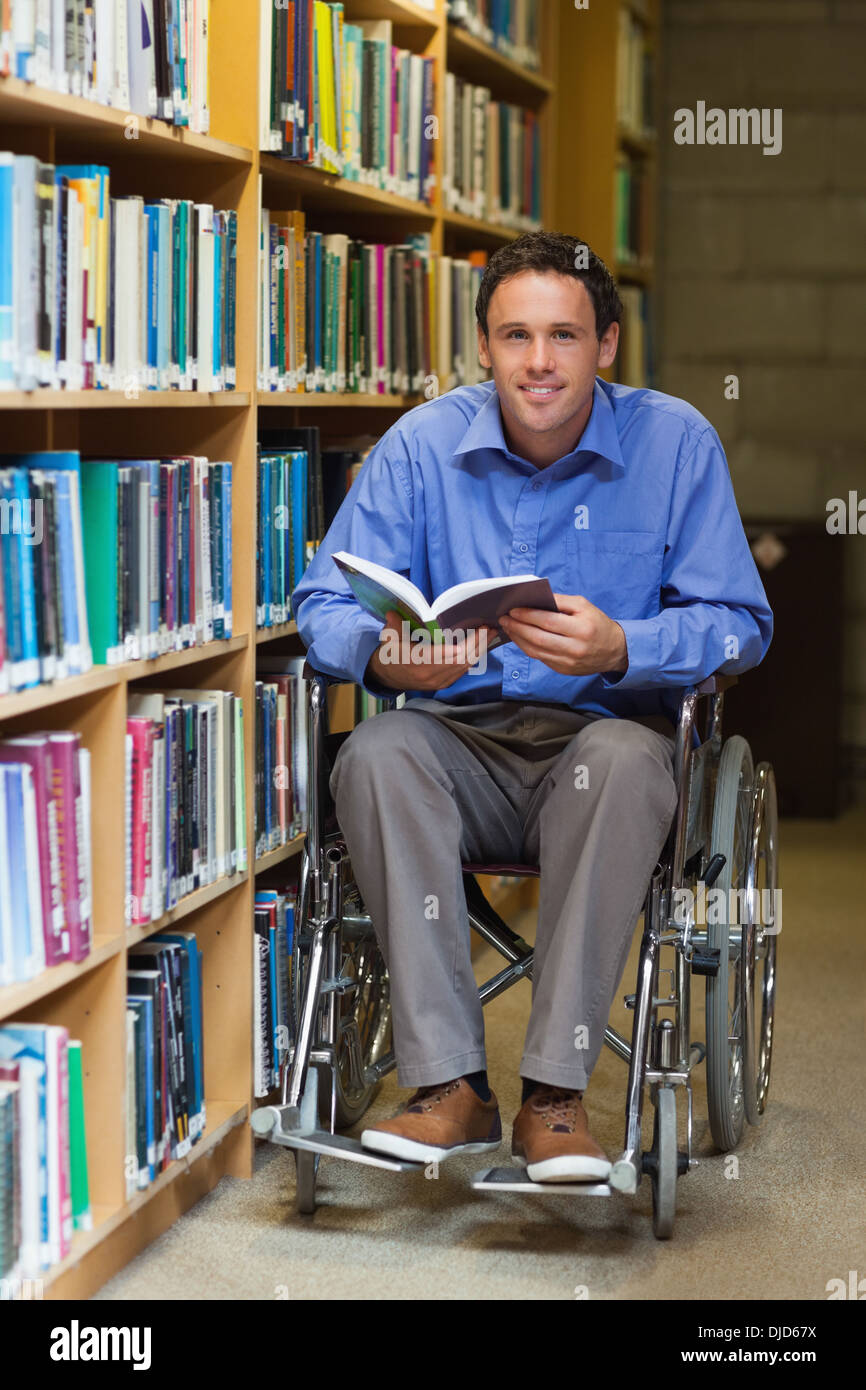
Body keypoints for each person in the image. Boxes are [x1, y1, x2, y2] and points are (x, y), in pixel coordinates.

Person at [291, 230, 772, 1183]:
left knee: (627, 763)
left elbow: (742, 625)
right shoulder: (421, 445)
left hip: (602, 746)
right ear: (483, 346)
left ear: (607, 344)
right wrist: (392, 653)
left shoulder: (676, 443)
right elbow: (320, 605)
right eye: (516, 336)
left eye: (563, 336)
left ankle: (555, 1097)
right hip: (453, 739)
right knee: (375, 754)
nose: (539, 362)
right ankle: (451, 1087)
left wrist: (628, 645)